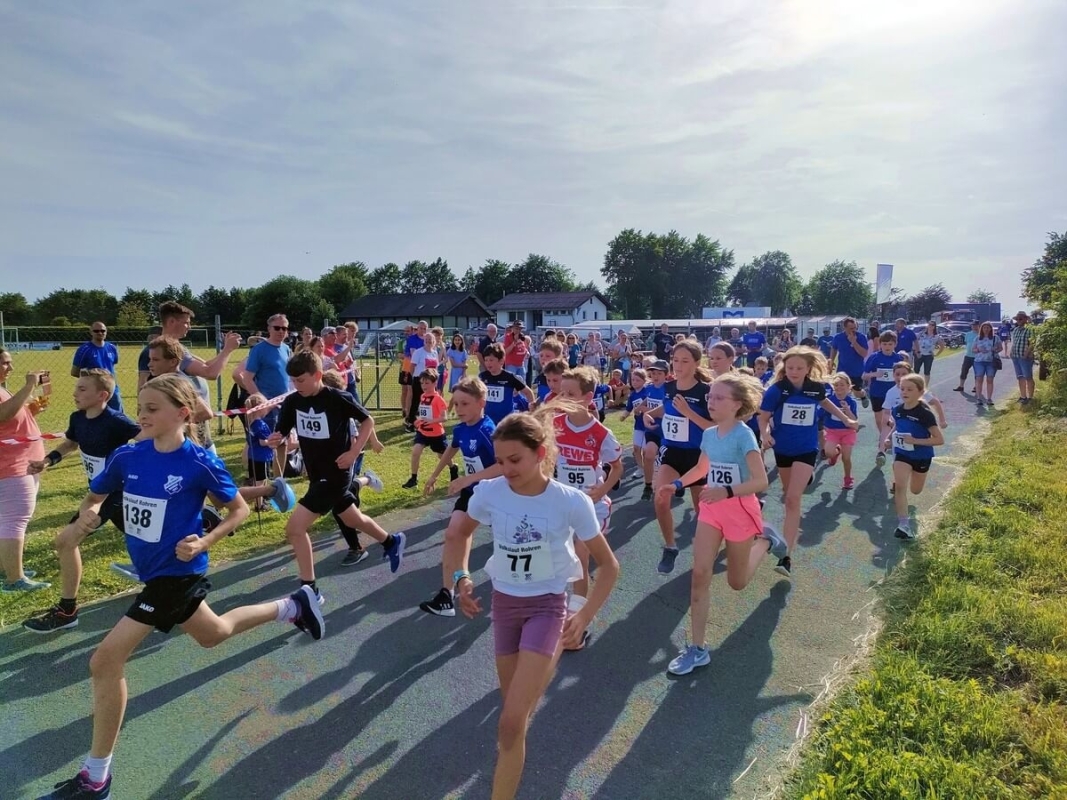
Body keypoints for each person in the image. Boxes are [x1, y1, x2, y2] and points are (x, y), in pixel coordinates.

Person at [45, 373, 327, 800]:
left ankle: (95, 777)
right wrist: (88, 514)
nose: (142, 414)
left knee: (104, 661)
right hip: (153, 572)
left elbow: (235, 510)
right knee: (214, 634)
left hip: (178, 575)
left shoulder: (198, 462)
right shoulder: (127, 456)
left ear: (182, 413)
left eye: (153, 409)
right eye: (140, 406)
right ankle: (293, 605)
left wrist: (207, 539)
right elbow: (95, 497)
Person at [451, 409, 620, 800]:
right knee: (517, 719)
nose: (506, 469)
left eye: (515, 460)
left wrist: (585, 614)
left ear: (540, 453)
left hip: (547, 607)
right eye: (501, 460)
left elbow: (610, 566)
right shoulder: (490, 493)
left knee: (508, 722)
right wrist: (461, 577)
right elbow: (460, 534)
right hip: (505, 608)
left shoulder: (570, 501)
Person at [658, 372, 787, 675]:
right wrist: (676, 485)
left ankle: (766, 541)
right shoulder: (709, 434)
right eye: (710, 396)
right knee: (700, 573)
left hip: (740, 511)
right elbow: (702, 468)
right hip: (712, 511)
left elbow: (759, 481)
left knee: (737, 583)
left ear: (737, 404)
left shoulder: (744, 436)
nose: (711, 402)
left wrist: (726, 491)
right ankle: (697, 649)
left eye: (718, 398)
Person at [266, 351, 406, 602]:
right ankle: (390, 541)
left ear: (317, 375)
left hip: (337, 474)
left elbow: (368, 421)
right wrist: (277, 438)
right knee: (352, 518)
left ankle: (310, 590)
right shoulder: (292, 401)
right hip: (316, 474)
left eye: (301, 380)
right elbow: (282, 433)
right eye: (293, 381)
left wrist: (353, 453)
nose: (296, 386)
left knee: (295, 529)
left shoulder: (338, 398)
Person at [22, 370, 141, 630]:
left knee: (65, 541)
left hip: (116, 493)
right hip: (97, 492)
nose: (75, 393)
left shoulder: (117, 421)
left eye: (82, 389)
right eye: (76, 388)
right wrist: (47, 461)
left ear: (103, 395)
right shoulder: (77, 418)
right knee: (143, 536)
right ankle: (164, 580)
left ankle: (67, 611)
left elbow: (148, 440)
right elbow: (71, 443)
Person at [759, 347, 859, 577]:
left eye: (799, 368)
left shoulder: (816, 389)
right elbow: (763, 416)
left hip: (806, 449)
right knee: (788, 493)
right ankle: (806, 479)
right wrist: (765, 434)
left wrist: (845, 419)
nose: (794, 371)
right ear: (784, 368)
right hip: (783, 449)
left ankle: (786, 557)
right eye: (790, 367)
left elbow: (826, 404)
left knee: (793, 499)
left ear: (808, 369)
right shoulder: (777, 391)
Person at [419, 376, 503, 617]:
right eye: (456, 404)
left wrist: (467, 479)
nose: (459, 409)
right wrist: (434, 476)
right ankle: (447, 594)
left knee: (507, 545)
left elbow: (502, 466)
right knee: (453, 533)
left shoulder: (489, 431)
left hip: (495, 494)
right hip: (472, 492)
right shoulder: (461, 429)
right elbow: (451, 450)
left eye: (465, 404)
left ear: (481, 402)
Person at [555, 368, 623, 644]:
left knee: (581, 553)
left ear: (588, 397)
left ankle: (579, 618)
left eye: (571, 393)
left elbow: (617, 467)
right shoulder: (554, 424)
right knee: (566, 557)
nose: (564, 397)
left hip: (592, 505)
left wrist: (603, 488)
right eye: (562, 392)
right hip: (562, 502)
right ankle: (570, 610)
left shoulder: (600, 433)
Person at [643, 341, 713, 574]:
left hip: (699, 455)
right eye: (676, 360)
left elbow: (715, 427)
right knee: (661, 497)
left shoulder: (706, 392)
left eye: (685, 361)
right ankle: (670, 546)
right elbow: (666, 408)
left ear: (696, 363)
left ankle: (706, 549)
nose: (679, 365)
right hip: (673, 452)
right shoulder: (670, 387)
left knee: (702, 511)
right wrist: (649, 415)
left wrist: (689, 413)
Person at [0, 349, 50, 592]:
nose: (10, 367)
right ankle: (14, 579)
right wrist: (30, 385)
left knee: (8, 520)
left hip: (21, 463)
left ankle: (8, 568)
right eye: (4, 363)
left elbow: (11, 416)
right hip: (11, 467)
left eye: (10, 362)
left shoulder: (3, 388)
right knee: (15, 520)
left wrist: (30, 410)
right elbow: (2, 415)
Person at [886, 373, 945, 540]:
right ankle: (903, 525)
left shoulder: (925, 413)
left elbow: (939, 440)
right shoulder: (897, 410)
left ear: (920, 392)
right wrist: (889, 438)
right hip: (903, 454)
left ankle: (913, 473)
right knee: (900, 487)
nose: (904, 392)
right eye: (902, 389)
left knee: (915, 490)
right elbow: (898, 427)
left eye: (910, 389)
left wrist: (915, 440)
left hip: (922, 456)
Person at [136, 301, 241, 391]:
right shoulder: (162, 349)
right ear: (171, 321)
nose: (189, 327)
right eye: (186, 322)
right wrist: (228, 350)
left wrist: (226, 349)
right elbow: (210, 373)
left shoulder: (176, 347)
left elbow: (206, 365)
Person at [241, 313, 293, 460]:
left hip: (283, 404)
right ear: (269, 329)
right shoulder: (259, 350)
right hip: (266, 407)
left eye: (284, 328)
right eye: (277, 328)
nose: (281, 331)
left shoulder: (286, 349)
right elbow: (247, 378)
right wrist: (262, 403)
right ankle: (256, 477)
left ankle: (279, 479)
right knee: (263, 445)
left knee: (282, 443)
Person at [403, 369, 452, 489]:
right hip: (423, 432)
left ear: (435, 383)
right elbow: (425, 413)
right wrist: (419, 420)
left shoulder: (438, 399)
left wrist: (432, 421)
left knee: (442, 457)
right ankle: (414, 479)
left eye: (427, 383)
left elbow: (444, 418)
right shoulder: (423, 396)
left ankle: (453, 467)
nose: (424, 386)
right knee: (415, 452)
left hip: (436, 434)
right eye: (422, 383)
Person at [863, 331, 903, 467]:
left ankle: (886, 440)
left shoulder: (898, 358)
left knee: (891, 419)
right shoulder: (874, 357)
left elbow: (906, 375)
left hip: (894, 395)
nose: (887, 346)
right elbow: (864, 375)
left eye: (890, 344)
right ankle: (884, 438)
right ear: (880, 344)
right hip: (877, 393)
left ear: (895, 344)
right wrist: (875, 374)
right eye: (884, 344)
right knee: (880, 420)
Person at [71, 322, 124, 412]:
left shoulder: (112, 348)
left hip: (112, 388)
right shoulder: (84, 349)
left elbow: (112, 364)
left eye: (103, 331)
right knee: (94, 414)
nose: (100, 333)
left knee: (117, 414)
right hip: (94, 390)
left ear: (106, 332)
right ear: (91, 332)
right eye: (96, 331)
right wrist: (91, 377)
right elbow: (74, 372)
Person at [637, 359, 668, 501]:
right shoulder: (649, 388)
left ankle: (677, 483)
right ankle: (648, 485)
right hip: (653, 428)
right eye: (653, 373)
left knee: (670, 460)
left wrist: (646, 410)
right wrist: (640, 407)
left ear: (666, 374)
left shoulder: (669, 389)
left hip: (668, 430)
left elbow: (665, 411)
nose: (655, 376)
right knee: (648, 454)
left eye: (659, 373)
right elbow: (646, 399)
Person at [480, 343, 535, 424]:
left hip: (506, 422)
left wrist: (532, 412)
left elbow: (528, 392)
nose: (488, 363)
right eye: (486, 360)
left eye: (491, 360)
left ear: (501, 361)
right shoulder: (482, 377)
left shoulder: (510, 377)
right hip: (488, 422)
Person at [822, 373, 860, 489]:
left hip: (848, 432)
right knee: (828, 452)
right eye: (836, 385)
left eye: (842, 385)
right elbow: (821, 414)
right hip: (833, 431)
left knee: (846, 458)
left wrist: (847, 410)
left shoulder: (851, 402)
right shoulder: (829, 400)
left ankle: (848, 479)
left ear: (849, 387)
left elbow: (854, 421)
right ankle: (835, 453)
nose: (839, 388)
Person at [829, 317, 870, 408]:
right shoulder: (838, 337)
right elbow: (834, 348)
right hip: (842, 370)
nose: (854, 330)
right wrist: (831, 361)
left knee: (857, 393)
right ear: (845, 328)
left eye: (855, 328)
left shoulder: (861, 337)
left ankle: (863, 396)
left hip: (856, 371)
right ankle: (844, 412)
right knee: (841, 391)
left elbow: (864, 354)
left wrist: (854, 342)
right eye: (851, 328)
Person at [620, 368, 650, 482]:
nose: (635, 382)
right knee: (636, 448)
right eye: (633, 380)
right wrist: (624, 416)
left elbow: (651, 402)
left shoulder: (647, 391)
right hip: (638, 425)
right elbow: (629, 409)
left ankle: (650, 469)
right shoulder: (632, 395)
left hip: (648, 425)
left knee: (647, 451)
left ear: (643, 381)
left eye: (637, 380)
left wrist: (642, 407)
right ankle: (640, 468)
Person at [972, 322, 1002, 407]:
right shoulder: (978, 338)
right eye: (984, 327)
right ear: (981, 329)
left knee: (990, 380)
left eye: (988, 328)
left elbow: (1000, 348)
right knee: (979, 379)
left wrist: (995, 349)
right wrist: (978, 349)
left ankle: (989, 398)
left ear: (990, 329)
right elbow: (973, 349)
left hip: (991, 362)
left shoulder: (995, 338)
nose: (986, 329)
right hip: (979, 361)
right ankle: (979, 398)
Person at [1009, 311, 1035, 404]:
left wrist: (1026, 354)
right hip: (1016, 356)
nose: (1019, 320)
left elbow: (1032, 343)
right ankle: (1023, 396)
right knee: (1020, 377)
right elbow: (1014, 343)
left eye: (1021, 318)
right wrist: (1011, 352)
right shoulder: (1015, 330)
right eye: (1018, 319)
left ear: (1025, 319)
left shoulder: (1030, 329)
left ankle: (1031, 398)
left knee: (1028, 377)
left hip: (1025, 358)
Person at [533, 338, 565, 403]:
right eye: (541, 355)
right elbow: (542, 397)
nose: (543, 358)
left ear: (558, 357)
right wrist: (536, 403)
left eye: (548, 356)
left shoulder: (563, 376)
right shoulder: (541, 376)